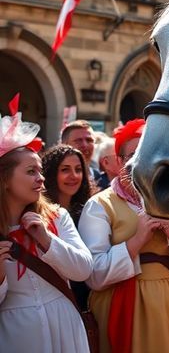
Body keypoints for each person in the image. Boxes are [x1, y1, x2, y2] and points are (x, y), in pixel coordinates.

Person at [78, 119, 169, 353]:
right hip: (120, 306)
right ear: (119, 161)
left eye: (148, 154)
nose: (141, 164)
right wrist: (136, 240)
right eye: (132, 156)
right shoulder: (99, 205)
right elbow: (94, 275)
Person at [0, 102, 93, 352]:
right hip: (18, 335)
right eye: (31, 171)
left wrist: (47, 239)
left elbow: (83, 270)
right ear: (5, 180)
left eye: (40, 171)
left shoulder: (57, 216)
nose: (41, 178)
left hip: (66, 327)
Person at [41, 144, 95, 310]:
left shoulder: (90, 211)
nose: (74, 176)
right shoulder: (40, 216)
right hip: (54, 302)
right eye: (65, 170)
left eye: (78, 169)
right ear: (50, 174)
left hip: (87, 300)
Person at [61, 120, 102, 186]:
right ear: (64, 145)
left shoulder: (100, 179)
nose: (85, 145)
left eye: (89, 140)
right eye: (78, 140)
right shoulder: (55, 178)